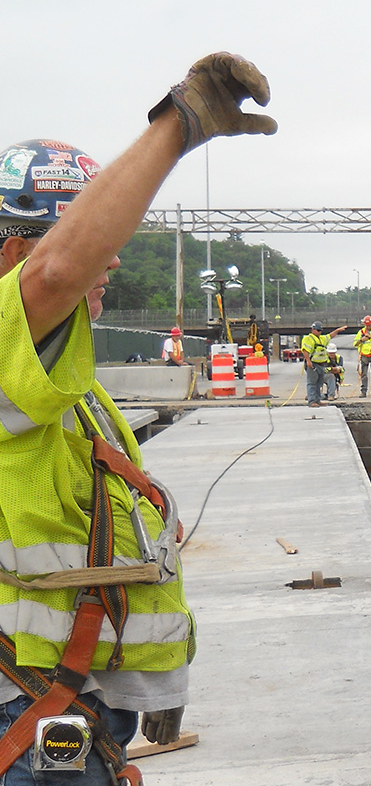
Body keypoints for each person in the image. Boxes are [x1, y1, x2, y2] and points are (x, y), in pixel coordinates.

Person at [0, 53, 275, 783]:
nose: (112, 263)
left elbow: (115, 534)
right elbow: (59, 273)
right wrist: (178, 126)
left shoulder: (61, 387)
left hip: (73, 704)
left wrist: (154, 675)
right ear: (16, 252)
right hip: (28, 713)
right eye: (95, 243)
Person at [301, 321, 346, 407]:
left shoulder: (322, 338)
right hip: (313, 364)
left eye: (320, 330)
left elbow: (330, 336)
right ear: (313, 329)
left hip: (322, 364)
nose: (319, 332)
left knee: (319, 383)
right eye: (318, 330)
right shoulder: (308, 339)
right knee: (312, 383)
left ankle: (317, 400)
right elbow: (305, 350)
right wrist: (308, 361)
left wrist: (338, 330)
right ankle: (312, 401)